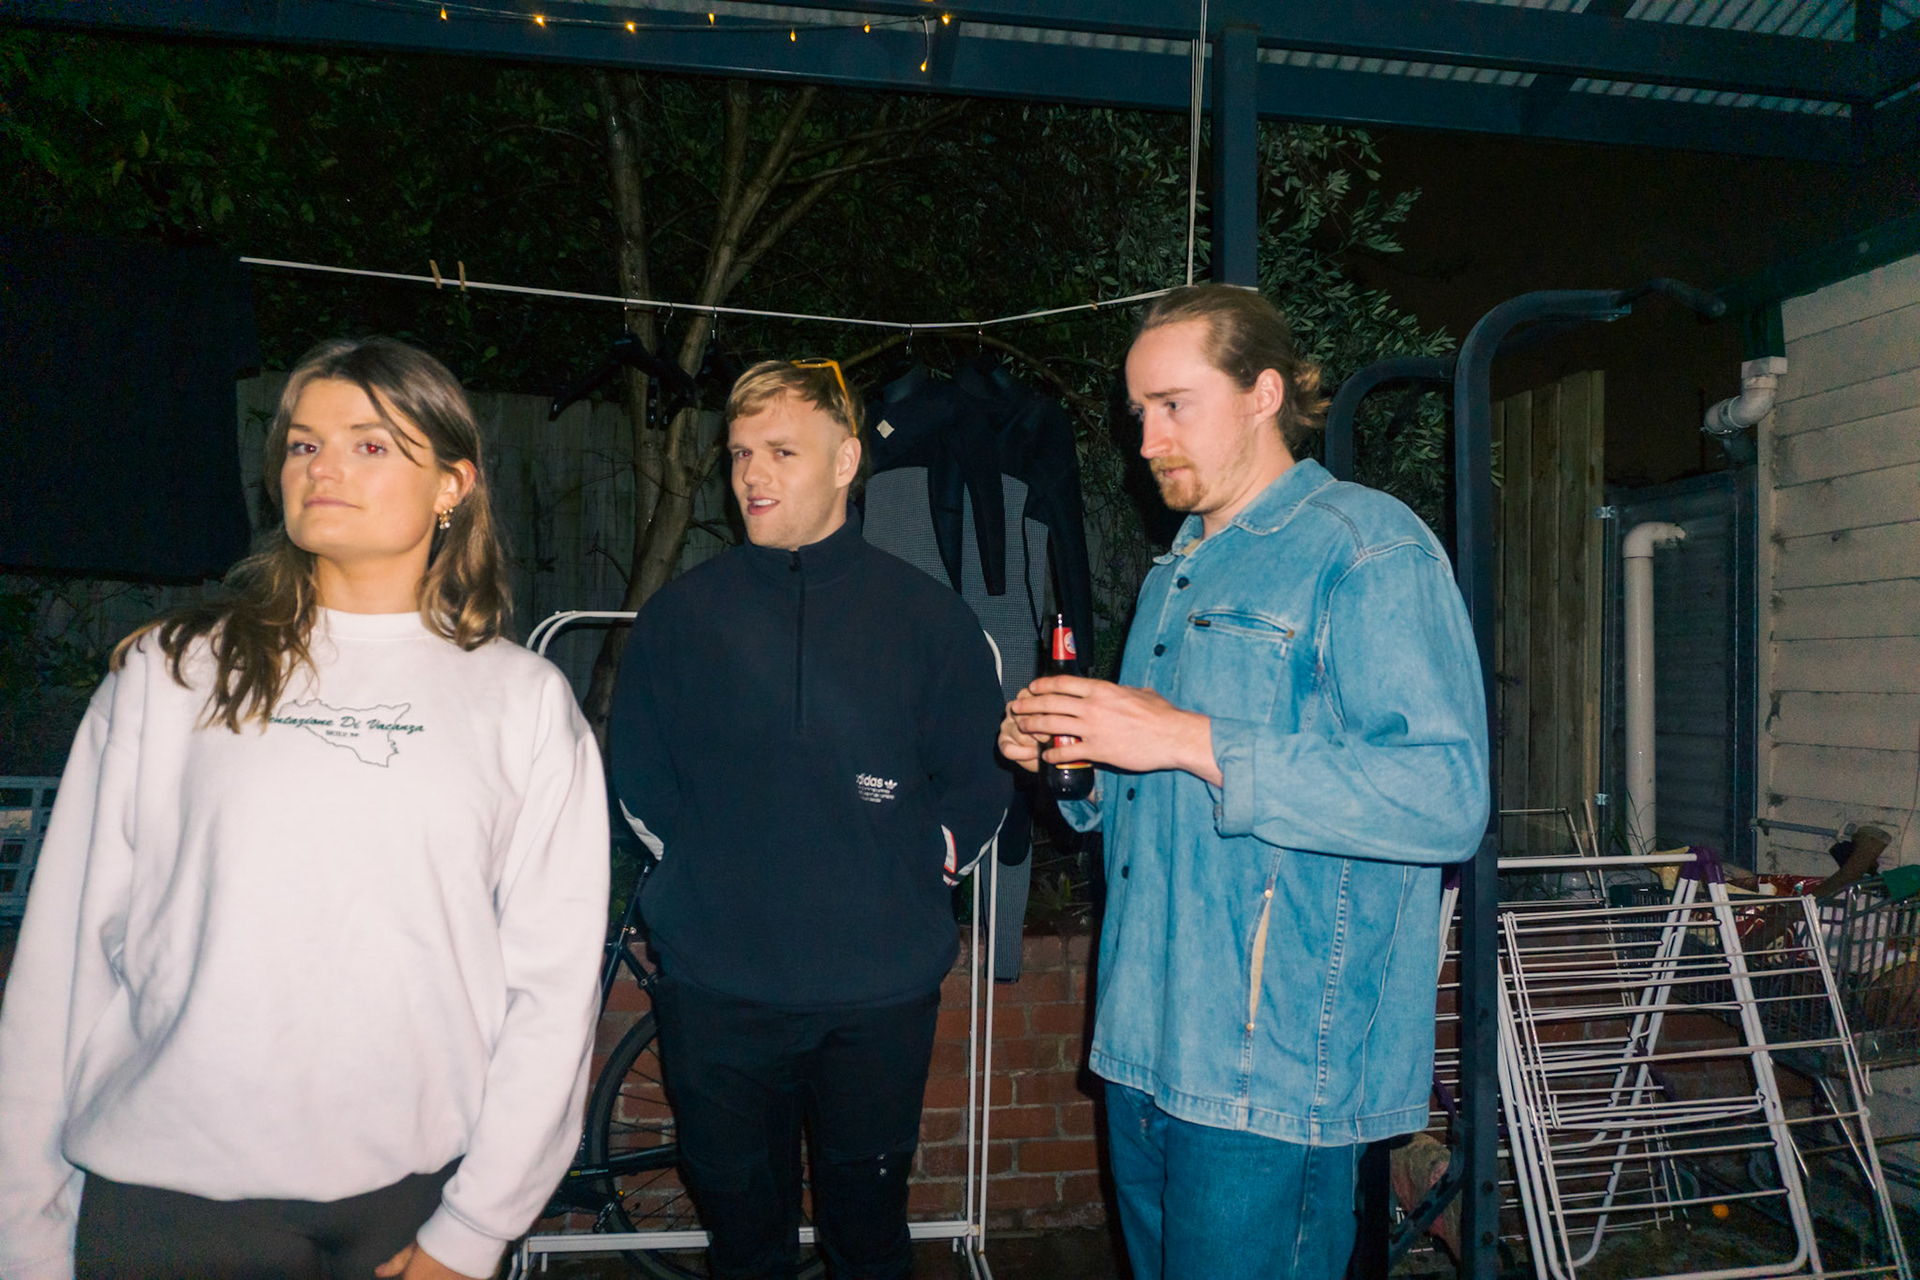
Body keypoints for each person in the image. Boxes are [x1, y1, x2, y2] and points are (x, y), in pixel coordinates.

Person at [0, 337, 610, 1280]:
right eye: (302, 444)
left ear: (452, 485)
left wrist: (475, 1227)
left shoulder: (522, 701)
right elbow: (65, 960)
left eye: (369, 444)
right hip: (175, 1207)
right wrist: (22, 1226)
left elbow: (552, 989)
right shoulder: (176, 671)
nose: (322, 467)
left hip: (413, 1205)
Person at [1000, 285, 1489, 1280]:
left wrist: (1188, 735)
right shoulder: (1174, 571)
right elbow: (1151, 791)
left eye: (1173, 405)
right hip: (1144, 1044)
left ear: (1264, 393)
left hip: (1272, 1072)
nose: (1146, 440)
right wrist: (1073, 760)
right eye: (1139, 412)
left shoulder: (1368, 546)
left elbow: (1445, 797)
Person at [608, 359, 1009, 1280]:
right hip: (719, 990)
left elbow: (982, 776)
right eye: (741, 452)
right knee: (742, 1239)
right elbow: (639, 777)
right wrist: (704, 873)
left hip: (877, 996)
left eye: (783, 451)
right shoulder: (679, 618)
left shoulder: (931, 620)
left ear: (846, 462)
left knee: (867, 1236)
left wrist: (922, 860)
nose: (753, 473)